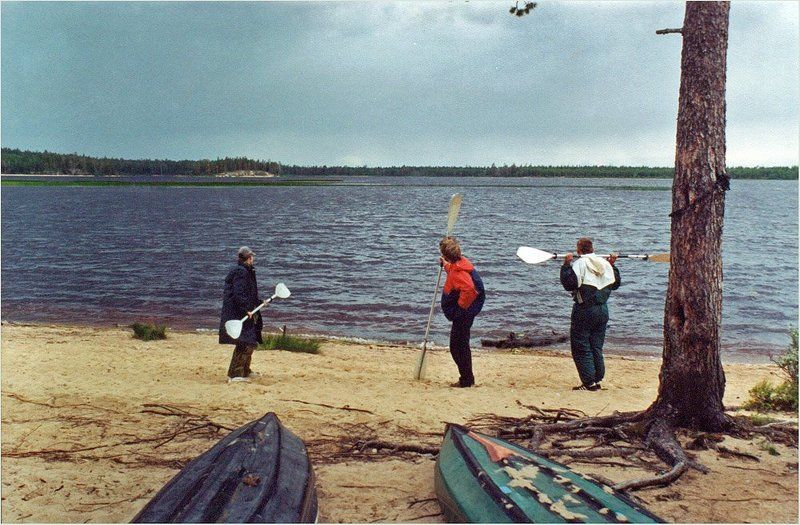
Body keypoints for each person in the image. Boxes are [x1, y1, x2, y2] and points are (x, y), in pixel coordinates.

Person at [560, 237, 620, 391]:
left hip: (584, 310)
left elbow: (569, 284)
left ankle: (589, 382)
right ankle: (597, 378)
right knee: (596, 345)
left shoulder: (579, 263)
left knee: (581, 345)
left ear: (579, 250)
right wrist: (612, 265)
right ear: (593, 249)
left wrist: (566, 265)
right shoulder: (605, 264)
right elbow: (615, 284)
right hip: (602, 311)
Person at [439, 236, 485, 388]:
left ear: (446, 255)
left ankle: (466, 379)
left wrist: (460, 307)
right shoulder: (459, 264)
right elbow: (453, 272)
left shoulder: (460, 272)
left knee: (457, 347)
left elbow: (469, 288)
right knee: (461, 345)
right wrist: (445, 265)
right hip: (465, 312)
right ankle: (467, 378)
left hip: (463, 313)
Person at [219, 246, 264, 383]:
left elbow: (249, 292)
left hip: (245, 311)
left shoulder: (246, 271)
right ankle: (236, 374)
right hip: (239, 313)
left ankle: (244, 371)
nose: (253, 259)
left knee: (249, 342)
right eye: (252, 257)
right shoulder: (241, 272)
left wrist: (258, 303)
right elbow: (239, 294)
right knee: (245, 342)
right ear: (249, 258)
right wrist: (246, 309)